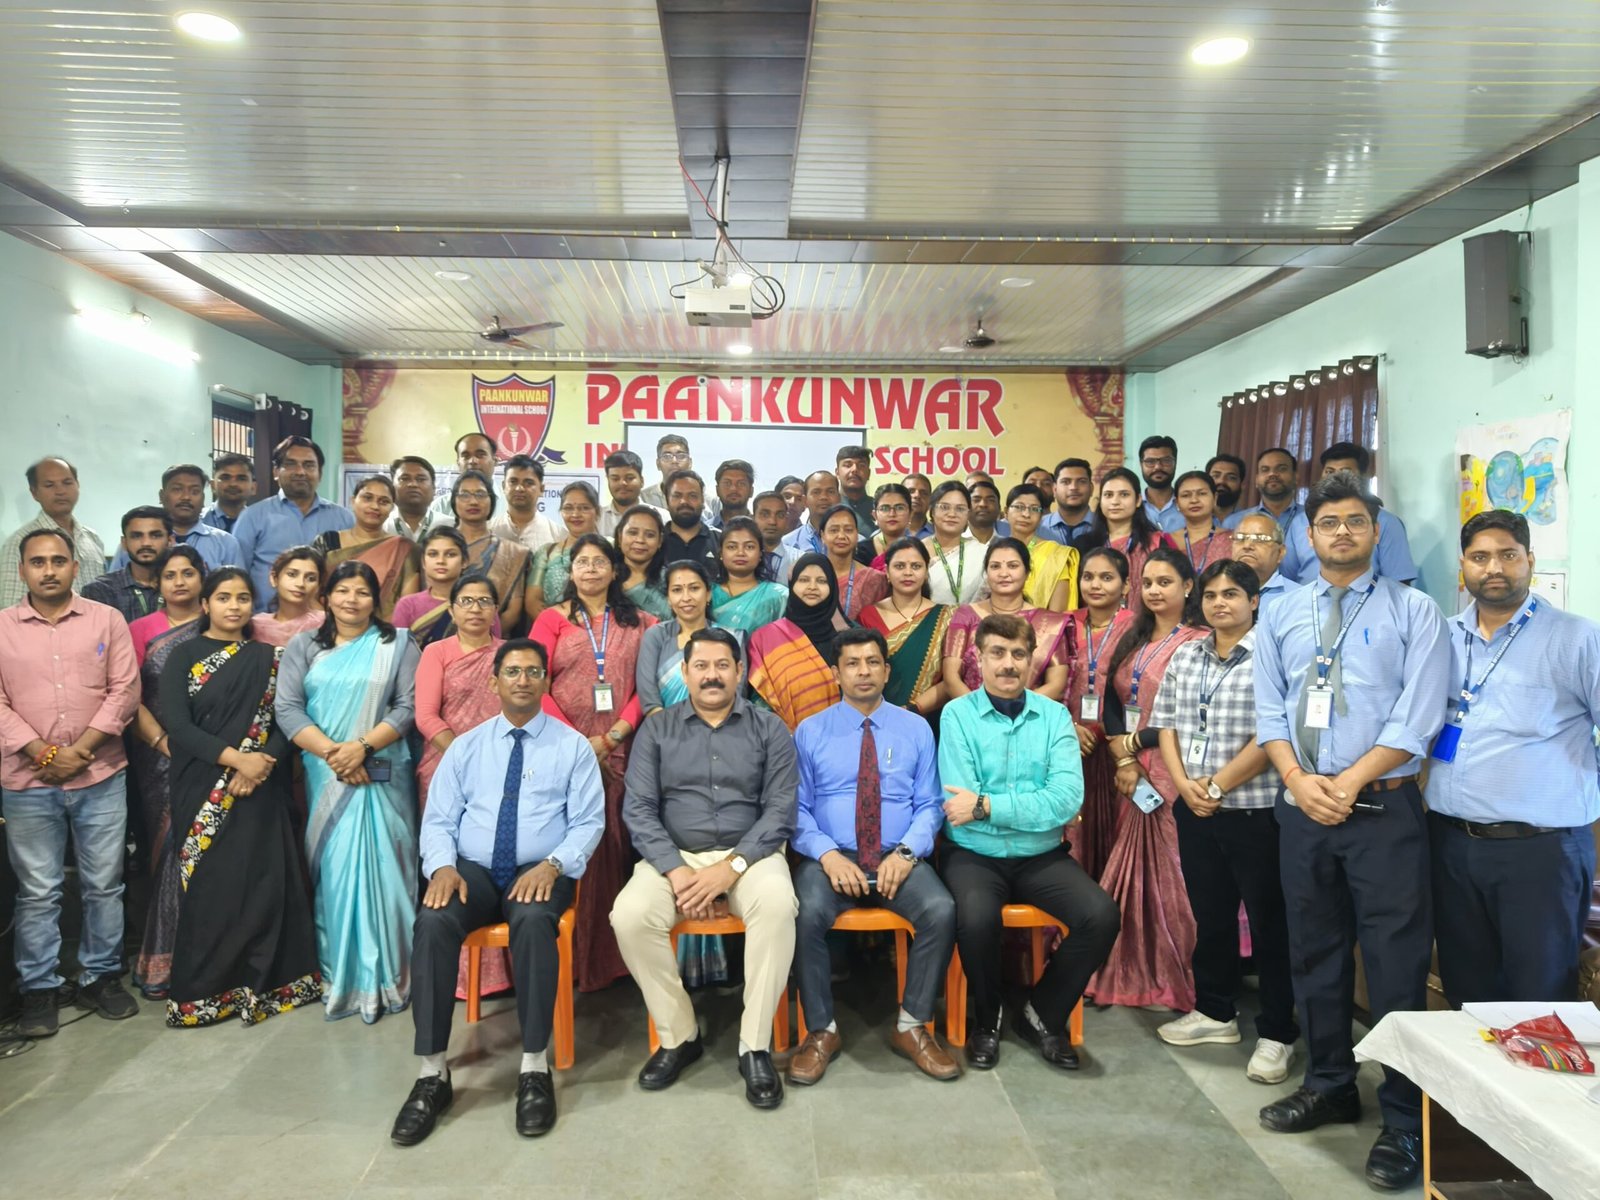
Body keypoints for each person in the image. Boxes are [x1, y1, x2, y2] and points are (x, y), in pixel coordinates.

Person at [1252, 470, 1449, 1191]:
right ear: (1309, 535)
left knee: (1395, 967)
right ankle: (1330, 1082)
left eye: (1355, 521)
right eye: (1329, 522)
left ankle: (1404, 1119)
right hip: (1303, 808)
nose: (1342, 532)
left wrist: (1350, 781)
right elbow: (1269, 709)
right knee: (1314, 952)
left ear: (1375, 531)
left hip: (1383, 813)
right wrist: (1299, 781)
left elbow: (1418, 717)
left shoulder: (1415, 610)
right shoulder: (1281, 612)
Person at [394, 639, 605, 1145]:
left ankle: (533, 1067)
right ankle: (432, 1073)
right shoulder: (466, 746)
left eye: (533, 672)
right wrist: (442, 868)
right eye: (512, 672)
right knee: (434, 921)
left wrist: (554, 865)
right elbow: (439, 820)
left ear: (547, 681)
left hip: (542, 868)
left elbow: (588, 823)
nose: (523, 680)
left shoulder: (572, 746)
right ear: (494, 681)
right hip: (474, 871)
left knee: (533, 922)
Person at [612, 628, 799, 1110]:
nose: (712, 676)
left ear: (739, 671)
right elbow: (639, 809)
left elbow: (781, 810)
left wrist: (731, 867)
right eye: (701, 666)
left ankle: (754, 1045)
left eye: (722, 666)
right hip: (675, 856)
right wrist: (675, 871)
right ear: (684, 672)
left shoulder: (769, 728)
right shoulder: (657, 730)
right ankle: (680, 1036)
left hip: (750, 856)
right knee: (629, 916)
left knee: (777, 906)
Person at [1427, 511, 1600, 1005]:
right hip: (1452, 844)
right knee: (1468, 990)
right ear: (1463, 566)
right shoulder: (1441, 636)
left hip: (1539, 851)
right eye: (1480, 557)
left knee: (1538, 995)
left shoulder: (1577, 637)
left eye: (1508, 555)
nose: (1494, 568)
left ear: (1530, 561)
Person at [937, 613, 1119, 1071]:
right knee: (976, 918)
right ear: (979, 658)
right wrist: (1006, 809)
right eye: (997, 653)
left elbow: (1066, 800)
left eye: (1019, 654)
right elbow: (959, 802)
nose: (1008, 664)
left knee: (1100, 916)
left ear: (1032, 660)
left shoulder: (1055, 717)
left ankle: (1042, 1014)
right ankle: (988, 1017)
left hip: (1041, 856)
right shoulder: (957, 715)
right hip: (975, 854)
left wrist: (987, 806)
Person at [788, 627, 958, 1084]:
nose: (863, 672)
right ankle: (820, 1031)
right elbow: (797, 810)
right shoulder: (810, 731)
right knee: (803, 912)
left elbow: (930, 804)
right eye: (852, 664)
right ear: (836, 673)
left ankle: (912, 1025)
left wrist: (906, 852)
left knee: (941, 909)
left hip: (896, 855)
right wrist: (827, 855)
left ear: (886, 670)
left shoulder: (915, 728)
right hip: (832, 858)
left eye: (872, 662)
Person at [1150, 561, 1297, 1084]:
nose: (1219, 603)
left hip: (1255, 812)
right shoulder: (1186, 653)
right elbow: (1166, 724)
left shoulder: (1272, 656)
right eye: (1211, 594)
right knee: (1210, 917)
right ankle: (1215, 1012)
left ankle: (1278, 1033)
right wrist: (1184, 784)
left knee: (1270, 924)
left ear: (1254, 601)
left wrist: (1216, 786)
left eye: (1232, 594)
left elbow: (1274, 732)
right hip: (1195, 809)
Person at [160, 568, 321, 1028]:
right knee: (211, 888)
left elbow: (287, 719)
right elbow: (178, 725)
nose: (234, 606)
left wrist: (261, 764)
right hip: (200, 787)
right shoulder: (183, 655)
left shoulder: (271, 657)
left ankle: (266, 986)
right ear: (205, 604)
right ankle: (207, 994)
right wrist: (237, 760)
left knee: (262, 884)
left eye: (243, 598)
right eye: (224, 597)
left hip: (261, 790)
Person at [0, 528, 140, 1038]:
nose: (49, 570)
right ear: (22, 571)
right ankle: (39, 988)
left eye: (58, 560)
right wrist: (43, 753)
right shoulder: (1, 627)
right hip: (26, 780)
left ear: (74, 567)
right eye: (38, 562)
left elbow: (124, 691)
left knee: (104, 884)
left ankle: (100, 977)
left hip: (100, 775)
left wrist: (80, 751)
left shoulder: (107, 619)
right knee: (39, 890)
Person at [276, 560, 421, 1022]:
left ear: (376, 599)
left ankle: (395, 976)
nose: (351, 600)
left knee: (390, 872)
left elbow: (408, 706)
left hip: (383, 770)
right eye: (342, 591)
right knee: (337, 876)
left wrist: (361, 748)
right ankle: (343, 976)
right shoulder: (302, 646)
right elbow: (288, 709)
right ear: (326, 598)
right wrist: (335, 754)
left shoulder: (398, 644)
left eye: (362, 592)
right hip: (326, 774)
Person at [529, 534, 654, 991]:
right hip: (562, 748)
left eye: (600, 562)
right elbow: (536, 683)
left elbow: (646, 687)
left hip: (623, 748)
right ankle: (572, 960)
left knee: (618, 844)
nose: (591, 570)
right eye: (582, 562)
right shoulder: (551, 619)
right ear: (571, 571)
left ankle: (618, 960)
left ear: (614, 569)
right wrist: (580, 742)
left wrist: (614, 734)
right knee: (569, 843)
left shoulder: (641, 621)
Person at [1087, 548, 1206, 1011]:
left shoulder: (1198, 641)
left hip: (1175, 768)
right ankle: (1132, 967)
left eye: (1165, 582)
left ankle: (1177, 973)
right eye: (1148, 583)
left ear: (1188, 587)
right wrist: (1123, 756)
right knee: (1133, 871)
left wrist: (1136, 745)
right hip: (1131, 771)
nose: (1154, 591)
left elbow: (1191, 713)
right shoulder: (1133, 636)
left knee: (1174, 876)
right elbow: (1113, 701)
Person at [412, 573, 510, 1001]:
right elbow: (425, 715)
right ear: (451, 610)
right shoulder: (436, 652)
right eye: (466, 601)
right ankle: (461, 977)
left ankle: (504, 971)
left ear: (496, 611)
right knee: (451, 860)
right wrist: (464, 758)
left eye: (484, 601)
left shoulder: (508, 654)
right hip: (446, 768)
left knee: (499, 858)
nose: (475, 609)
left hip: (506, 770)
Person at [126, 545, 207, 996]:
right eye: (170, 575)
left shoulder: (219, 622)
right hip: (159, 757)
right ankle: (163, 959)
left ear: (202, 578)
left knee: (210, 852)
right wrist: (163, 743)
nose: (179, 582)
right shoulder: (140, 630)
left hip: (213, 754)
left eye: (188, 573)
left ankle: (210, 955)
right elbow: (129, 696)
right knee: (168, 852)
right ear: (156, 583)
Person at [1064, 547, 1134, 882]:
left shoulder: (1137, 627)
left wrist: (1111, 734)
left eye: (1107, 578)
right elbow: (1046, 681)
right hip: (1069, 745)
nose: (1095, 585)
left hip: (1120, 747)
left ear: (1126, 585)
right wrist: (1069, 726)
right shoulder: (1064, 624)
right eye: (1088, 577)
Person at [234, 437, 354, 611]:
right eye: (291, 464)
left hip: (327, 620)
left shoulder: (343, 518)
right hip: (265, 620)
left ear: (320, 473)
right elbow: (238, 576)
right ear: (276, 471)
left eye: (309, 465)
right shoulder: (252, 517)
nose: (300, 472)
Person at [943, 539, 1071, 702]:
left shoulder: (1050, 623)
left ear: (1027, 572)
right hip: (973, 713)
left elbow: (1056, 684)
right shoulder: (966, 615)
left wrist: (1017, 710)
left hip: (1030, 714)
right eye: (995, 566)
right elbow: (951, 678)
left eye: (1013, 566)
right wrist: (980, 711)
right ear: (986, 573)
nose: (1003, 573)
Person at [1283, 442, 1418, 586]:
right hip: (1307, 599)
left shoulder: (1386, 522)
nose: (1335, 478)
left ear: (1363, 476)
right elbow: (1287, 578)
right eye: (1329, 471)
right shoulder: (1299, 522)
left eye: (1345, 472)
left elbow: (1400, 583)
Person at [747, 555, 846, 731]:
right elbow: (759, 698)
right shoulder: (766, 639)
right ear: (792, 585)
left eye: (821, 581)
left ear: (833, 587)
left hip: (840, 736)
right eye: (804, 580)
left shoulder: (847, 640)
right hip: (780, 738)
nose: (812, 587)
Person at [638, 561, 746, 720]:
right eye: (677, 590)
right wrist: (668, 729)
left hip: (723, 727)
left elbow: (737, 690)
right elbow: (649, 696)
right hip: (665, 729)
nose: (686, 597)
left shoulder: (732, 638)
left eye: (694, 588)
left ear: (708, 593)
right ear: (668, 598)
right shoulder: (655, 636)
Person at [858, 538, 950, 720]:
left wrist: (912, 709)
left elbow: (952, 678)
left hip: (929, 719)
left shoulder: (947, 616)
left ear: (926, 572)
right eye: (899, 566)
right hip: (875, 716)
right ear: (887, 572)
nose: (908, 573)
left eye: (916, 566)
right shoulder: (867, 616)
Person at [0, 456, 107, 609]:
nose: (60, 491)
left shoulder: (92, 538)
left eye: (67, 483)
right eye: (49, 485)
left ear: (77, 485)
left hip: (97, 623)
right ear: (34, 493)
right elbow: (11, 606)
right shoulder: (19, 542)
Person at [312, 475, 420, 622]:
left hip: (384, 631)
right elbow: (311, 594)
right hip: (330, 628)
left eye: (384, 501)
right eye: (367, 498)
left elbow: (408, 605)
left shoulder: (404, 549)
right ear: (352, 501)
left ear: (392, 508)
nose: (375, 506)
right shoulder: (327, 542)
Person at [1073, 467, 1176, 616]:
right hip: (1094, 625)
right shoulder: (1084, 544)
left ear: (1138, 500)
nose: (1115, 501)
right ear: (1100, 501)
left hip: (1146, 624)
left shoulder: (1156, 543)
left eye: (1124, 494)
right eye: (1108, 495)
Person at [110, 464, 241, 575]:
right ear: (162, 496)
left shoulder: (225, 543)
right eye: (177, 490)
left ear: (203, 499)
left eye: (194, 491)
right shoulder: (137, 543)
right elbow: (114, 585)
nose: (186, 497)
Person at [450, 470, 530, 633]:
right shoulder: (437, 548)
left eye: (480, 494)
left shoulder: (512, 552)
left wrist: (481, 638)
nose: (473, 501)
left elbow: (513, 612)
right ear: (454, 501)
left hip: (493, 640)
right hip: (438, 642)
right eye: (465, 495)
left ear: (491, 501)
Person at [392, 527, 502, 646]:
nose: (441, 560)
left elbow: (495, 649)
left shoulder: (482, 603)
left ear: (464, 561)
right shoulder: (407, 605)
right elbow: (399, 650)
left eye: (450, 554)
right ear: (423, 562)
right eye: (433, 554)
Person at [527, 482, 601, 623]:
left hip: (602, 629)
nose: (575, 514)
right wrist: (563, 628)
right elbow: (533, 602)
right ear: (561, 512)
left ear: (597, 512)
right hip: (554, 629)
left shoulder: (612, 548)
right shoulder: (547, 552)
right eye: (568, 508)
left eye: (584, 508)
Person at [81, 506, 170, 622]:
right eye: (136, 536)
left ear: (170, 541)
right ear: (124, 543)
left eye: (155, 535)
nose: (146, 543)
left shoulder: (182, 587)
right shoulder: (99, 591)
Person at [1004, 483, 1078, 611]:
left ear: (1041, 517)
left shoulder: (1055, 555)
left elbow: (1057, 613)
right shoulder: (994, 552)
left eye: (1034, 509)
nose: (1026, 514)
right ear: (1006, 512)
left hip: (1041, 623)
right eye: (1019, 507)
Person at [710, 516, 787, 633]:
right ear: (721, 553)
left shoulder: (779, 596)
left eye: (749, 547)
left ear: (760, 554)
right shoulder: (707, 594)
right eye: (732, 547)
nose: (740, 553)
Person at [923, 482, 987, 607]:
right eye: (944, 507)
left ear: (968, 514)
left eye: (960, 509)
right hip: (927, 617)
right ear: (932, 511)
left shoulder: (982, 552)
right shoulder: (917, 551)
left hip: (974, 617)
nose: (952, 514)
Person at [820, 504, 888, 621]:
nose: (841, 536)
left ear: (857, 535)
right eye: (834, 530)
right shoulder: (810, 576)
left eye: (848, 530)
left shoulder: (874, 579)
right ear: (823, 536)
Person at [250, 545, 327, 647]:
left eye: (311, 578)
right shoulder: (255, 626)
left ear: (318, 586)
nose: (300, 584)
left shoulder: (325, 624)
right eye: (292, 574)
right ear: (274, 578)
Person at [1230, 513, 1298, 619]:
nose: (1247, 546)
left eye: (1260, 539)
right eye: (1240, 538)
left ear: (1280, 552)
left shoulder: (1298, 597)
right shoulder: (1216, 592)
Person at [490, 455, 563, 553]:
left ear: (541, 489)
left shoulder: (558, 535)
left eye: (528, 483)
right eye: (513, 482)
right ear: (503, 486)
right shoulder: (488, 531)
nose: (519, 488)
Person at [776, 469, 839, 582]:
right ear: (805, 501)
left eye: (830, 491)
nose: (823, 497)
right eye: (816, 492)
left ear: (839, 498)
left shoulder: (856, 542)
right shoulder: (787, 543)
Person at [1222, 447, 1302, 532]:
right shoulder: (1234, 523)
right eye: (1265, 470)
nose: (1272, 474)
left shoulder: (1309, 518)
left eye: (1281, 469)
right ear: (1256, 480)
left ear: (1296, 477)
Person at [615, 503, 671, 619]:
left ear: (660, 541)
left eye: (650, 535)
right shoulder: (606, 578)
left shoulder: (670, 580)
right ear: (620, 537)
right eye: (633, 533)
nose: (640, 540)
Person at [426, 433, 499, 521]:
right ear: (458, 463)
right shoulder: (441, 506)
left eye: (480, 455)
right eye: (466, 456)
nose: (472, 461)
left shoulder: (509, 502)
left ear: (495, 461)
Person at [1174, 470, 1234, 573]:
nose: (1194, 500)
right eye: (1186, 495)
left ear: (1215, 498)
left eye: (1202, 494)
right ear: (1177, 503)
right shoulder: (1165, 541)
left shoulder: (1232, 540)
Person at [660, 469, 721, 568]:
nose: (684, 501)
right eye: (677, 496)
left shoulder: (721, 540)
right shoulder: (655, 541)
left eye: (692, 496)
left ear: (702, 501)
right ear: (667, 502)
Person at [599, 450, 667, 537]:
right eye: (615, 479)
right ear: (608, 481)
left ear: (642, 481)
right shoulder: (596, 519)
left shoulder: (663, 518)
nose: (622, 483)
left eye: (629, 478)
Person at [388, 456, 452, 542]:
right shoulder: (381, 526)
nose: (413, 484)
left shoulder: (450, 526)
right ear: (392, 487)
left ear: (433, 488)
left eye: (421, 479)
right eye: (404, 479)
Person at [1038, 458, 1096, 546]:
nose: (1073, 487)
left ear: (1091, 489)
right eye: (1065, 482)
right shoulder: (1037, 527)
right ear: (1054, 489)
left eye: (1082, 481)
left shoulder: (1105, 525)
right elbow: (1029, 549)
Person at [855, 483, 913, 568]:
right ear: (875, 515)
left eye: (899, 508)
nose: (892, 514)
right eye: (885, 508)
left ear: (910, 514)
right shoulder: (861, 551)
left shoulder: (919, 549)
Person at [1137, 436, 1184, 534]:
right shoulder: (1133, 506)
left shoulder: (1189, 504)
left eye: (1166, 461)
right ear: (1141, 465)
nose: (1158, 467)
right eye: (1150, 462)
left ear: (1175, 463)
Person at [202, 452, 256, 533]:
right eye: (225, 478)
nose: (233, 484)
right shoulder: (197, 521)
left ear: (253, 487)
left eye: (241, 479)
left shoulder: (261, 524)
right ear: (213, 485)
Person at [640, 434, 692, 509]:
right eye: (667, 456)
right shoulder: (644, 498)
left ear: (690, 463)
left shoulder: (706, 499)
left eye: (680, 456)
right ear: (658, 464)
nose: (674, 461)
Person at [835, 445, 876, 534]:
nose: (854, 469)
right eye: (847, 465)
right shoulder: (828, 507)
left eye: (861, 465)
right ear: (837, 473)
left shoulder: (879, 508)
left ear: (869, 474)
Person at [750, 490, 789, 580]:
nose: (772, 522)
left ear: (786, 520)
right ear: (753, 519)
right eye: (765, 515)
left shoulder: (799, 560)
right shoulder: (741, 559)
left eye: (780, 515)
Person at [708, 458, 755, 530]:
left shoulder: (761, 530)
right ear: (717, 490)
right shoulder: (703, 530)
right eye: (727, 483)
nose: (733, 488)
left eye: (741, 483)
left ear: (751, 491)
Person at [1207, 454, 1247, 524]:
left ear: (1242, 485)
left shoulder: (1249, 520)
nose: (1221, 481)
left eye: (1231, 478)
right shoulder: (1187, 519)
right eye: (1216, 476)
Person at [967, 478, 1006, 546]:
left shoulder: (1008, 545)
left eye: (990, 500)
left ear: (999, 508)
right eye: (976, 500)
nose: (983, 504)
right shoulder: (952, 544)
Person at [902, 473, 933, 538]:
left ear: (930, 499)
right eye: (911, 491)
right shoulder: (886, 534)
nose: (917, 495)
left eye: (923, 493)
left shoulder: (940, 534)